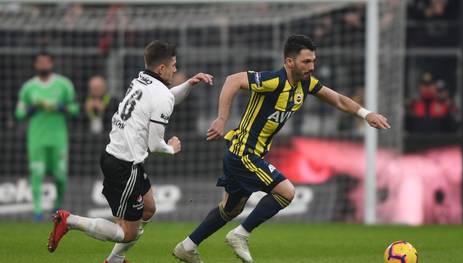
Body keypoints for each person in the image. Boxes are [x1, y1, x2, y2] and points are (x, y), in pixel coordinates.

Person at [173, 34, 390, 263]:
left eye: (313, 61)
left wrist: (366, 114)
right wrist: (221, 119)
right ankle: (240, 234)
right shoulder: (273, 81)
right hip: (243, 152)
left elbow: (337, 99)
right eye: (306, 62)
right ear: (289, 62)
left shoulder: (306, 84)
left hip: (247, 153)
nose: (312, 66)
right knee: (286, 192)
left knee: (230, 210)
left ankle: (187, 247)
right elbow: (232, 80)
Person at [47, 40, 213, 263]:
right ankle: (69, 221)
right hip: (125, 165)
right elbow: (156, 146)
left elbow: (166, 97)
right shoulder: (160, 94)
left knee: (149, 209)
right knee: (127, 232)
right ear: (161, 69)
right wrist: (172, 149)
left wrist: (189, 84)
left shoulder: (141, 80)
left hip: (118, 157)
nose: (176, 69)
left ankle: (115, 260)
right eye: (173, 65)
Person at [15, 51, 79, 221]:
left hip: (58, 138)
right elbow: (19, 113)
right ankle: (37, 212)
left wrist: (60, 107)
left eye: (46, 62)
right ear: (36, 65)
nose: (43, 65)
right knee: (37, 174)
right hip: (37, 138)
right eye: (40, 62)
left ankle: (57, 206)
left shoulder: (64, 84)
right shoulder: (28, 87)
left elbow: (75, 109)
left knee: (61, 176)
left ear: (51, 64)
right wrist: (33, 108)